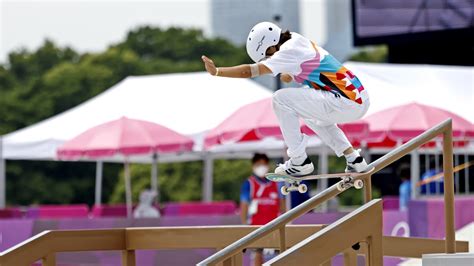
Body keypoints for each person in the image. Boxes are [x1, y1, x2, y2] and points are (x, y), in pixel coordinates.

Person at [202, 21, 370, 176]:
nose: (269, 60)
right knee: (312, 116)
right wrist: (289, 74)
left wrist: (217, 71)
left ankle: (299, 161)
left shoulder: (287, 52)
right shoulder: (295, 39)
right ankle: (354, 159)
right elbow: (303, 66)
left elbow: (248, 71)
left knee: (279, 99)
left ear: (270, 46)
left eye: (267, 56)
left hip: (344, 101)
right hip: (357, 98)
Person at [240, 153, 285, 265]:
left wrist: (286, 222)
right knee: (257, 255)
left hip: (274, 226)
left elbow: (283, 205)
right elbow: (244, 206)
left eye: (264, 164)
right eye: (258, 164)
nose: (262, 166)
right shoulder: (249, 184)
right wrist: (245, 225)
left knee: (280, 257)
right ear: (253, 166)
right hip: (256, 228)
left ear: (268, 165)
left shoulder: (277, 183)